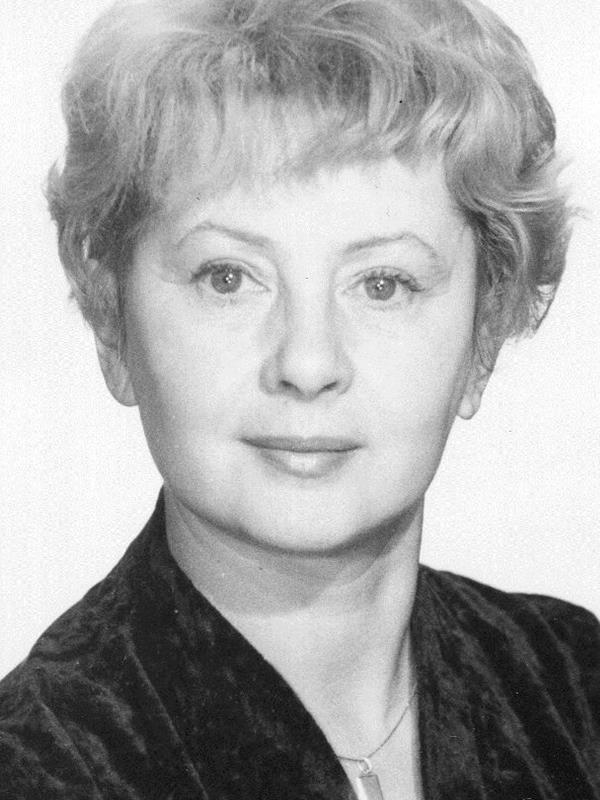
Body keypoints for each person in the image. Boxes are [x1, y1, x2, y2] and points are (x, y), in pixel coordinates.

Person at [0, 0, 598, 797]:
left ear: (485, 332)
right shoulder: (38, 764)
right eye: (227, 277)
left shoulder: (573, 687)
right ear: (113, 319)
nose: (308, 363)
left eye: (383, 284)